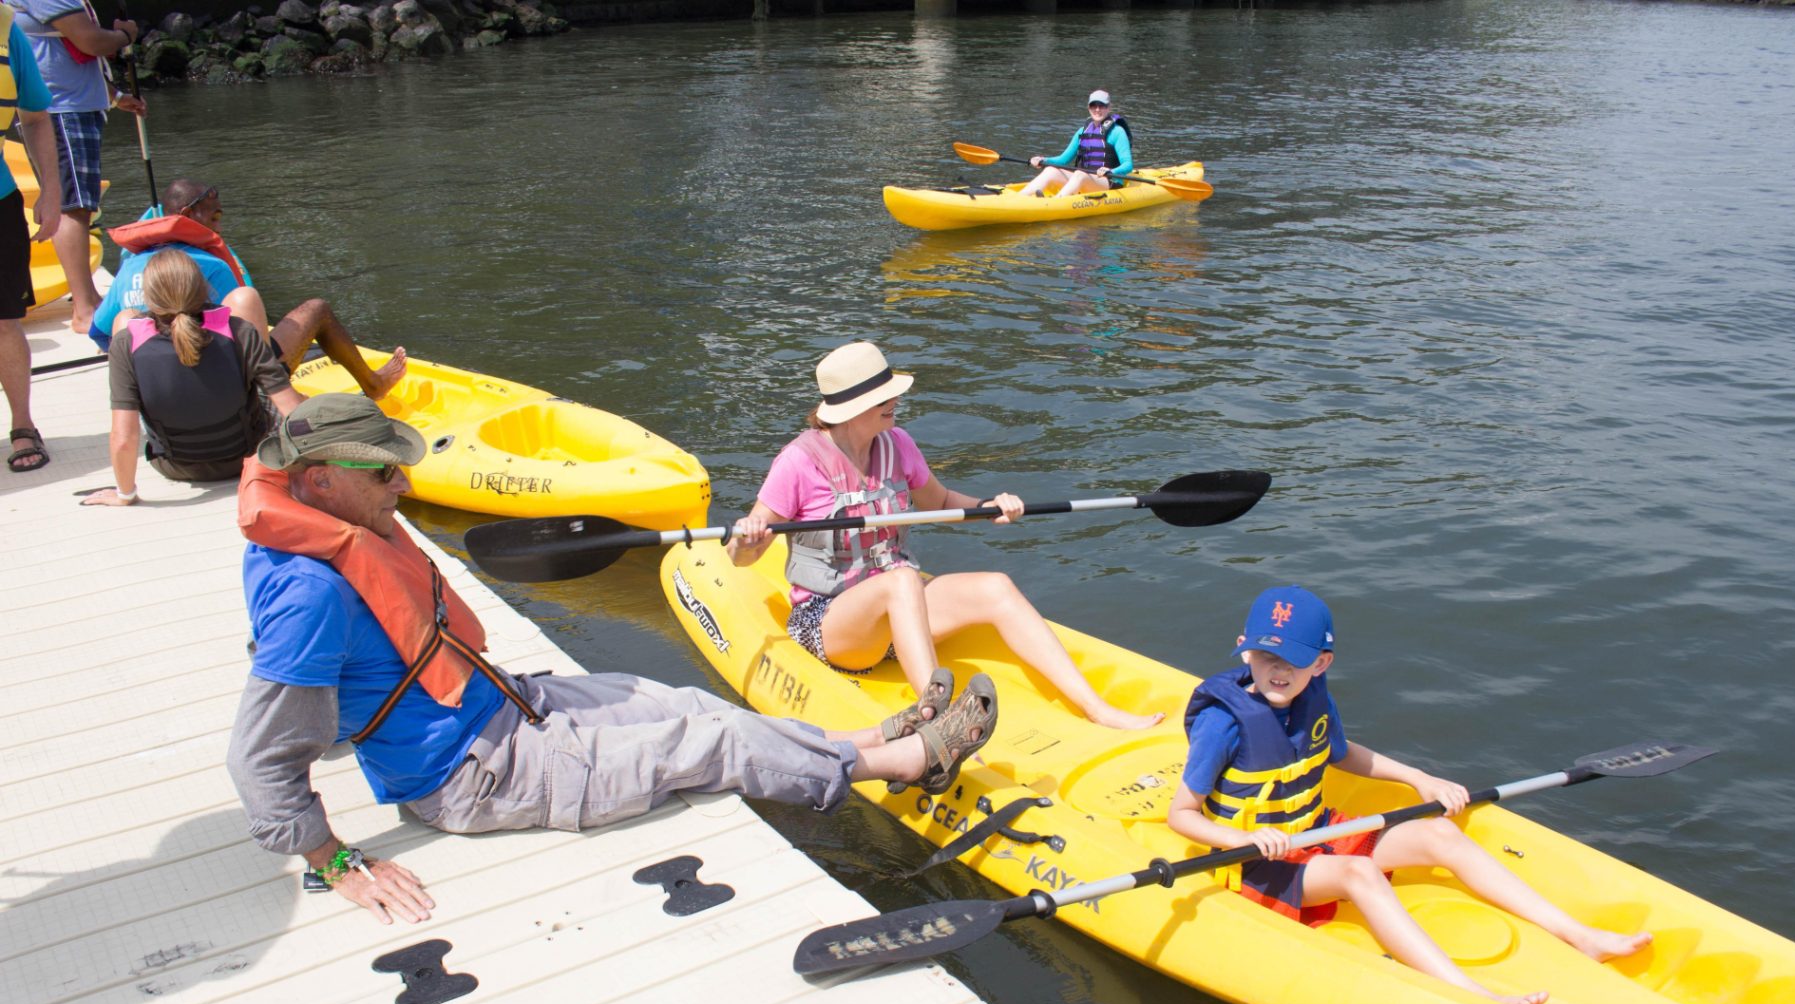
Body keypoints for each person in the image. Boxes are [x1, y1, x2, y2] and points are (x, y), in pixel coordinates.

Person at [226, 393, 999, 925]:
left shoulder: (332, 525)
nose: (402, 479)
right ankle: (902, 763)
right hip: (473, 775)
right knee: (713, 744)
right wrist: (330, 860)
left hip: (507, 707)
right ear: (319, 480)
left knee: (691, 706)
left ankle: (873, 741)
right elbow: (260, 757)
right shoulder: (309, 594)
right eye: (383, 470)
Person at [1166, 585, 1652, 1004]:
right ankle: (1468, 992)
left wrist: (1419, 778)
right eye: (1266, 656)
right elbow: (1182, 815)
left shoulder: (1314, 698)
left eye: (1293, 661)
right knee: (1361, 871)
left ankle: (1579, 936)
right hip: (1253, 861)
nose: (1278, 671)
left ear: (1321, 663)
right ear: (1244, 651)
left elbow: (1339, 752)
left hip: (1316, 831)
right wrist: (1243, 837)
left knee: (1440, 833)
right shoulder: (1221, 723)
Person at [728, 340, 1161, 732]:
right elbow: (742, 557)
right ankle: (937, 718)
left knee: (995, 586)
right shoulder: (798, 462)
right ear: (853, 406)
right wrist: (746, 539)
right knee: (901, 579)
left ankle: (1095, 707)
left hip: (901, 611)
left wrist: (990, 507)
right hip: (832, 625)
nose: (895, 401)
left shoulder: (897, 444)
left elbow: (940, 502)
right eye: (883, 397)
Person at [88, 177, 407, 400]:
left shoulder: (130, 264)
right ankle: (374, 385)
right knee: (316, 309)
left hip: (159, 393)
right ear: (187, 216)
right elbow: (252, 334)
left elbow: (100, 334)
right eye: (214, 218)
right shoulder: (212, 264)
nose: (219, 227)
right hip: (226, 386)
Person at [81, 248, 303, 504]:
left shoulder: (125, 344)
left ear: (148, 296)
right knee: (283, 397)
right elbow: (292, 411)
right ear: (203, 288)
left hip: (174, 465)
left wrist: (125, 495)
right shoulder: (240, 330)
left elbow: (124, 437)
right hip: (246, 456)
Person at [13, 0, 144, 335]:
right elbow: (90, 41)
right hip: (61, 110)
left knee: (81, 204)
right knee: (75, 206)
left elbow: (61, 52)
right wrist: (124, 34)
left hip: (75, 106)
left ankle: (88, 301)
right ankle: (85, 308)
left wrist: (113, 96)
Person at [3, 1, 61, 475]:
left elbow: (36, 116)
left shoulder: (7, 26)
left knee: (3, 321)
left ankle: (23, 425)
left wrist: (51, 190)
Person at [1019, 89, 1133, 200]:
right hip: (1085, 179)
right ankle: (1018, 198)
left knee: (1079, 174)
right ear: (1089, 108)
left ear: (1108, 108)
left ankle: (1054, 203)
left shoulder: (1117, 132)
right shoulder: (1082, 131)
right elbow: (1063, 160)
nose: (1097, 110)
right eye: (1094, 105)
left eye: (1102, 106)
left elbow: (1128, 165)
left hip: (1109, 181)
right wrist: (1043, 160)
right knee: (1051, 170)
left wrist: (1111, 171)